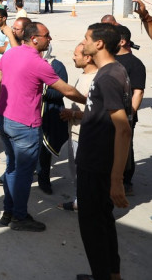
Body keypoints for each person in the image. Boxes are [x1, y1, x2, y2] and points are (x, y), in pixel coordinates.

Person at [0, 22, 86, 231]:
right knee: (23, 174)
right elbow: (67, 90)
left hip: (5, 121)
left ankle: (8, 211)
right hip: (25, 126)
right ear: (34, 38)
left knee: (12, 169)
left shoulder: (11, 54)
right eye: (47, 35)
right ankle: (19, 217)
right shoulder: (39, 63)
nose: (49, 39)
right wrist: (87, 99)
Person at [75, 23, 131, 280]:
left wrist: (116, 179)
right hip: (96, 162)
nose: (83, 42)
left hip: (97, 165)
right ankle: (111, 275)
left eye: (87, 38)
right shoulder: (112, 70)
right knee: (103, 224)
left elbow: (123, 129)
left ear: (98, 44)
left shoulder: (108, 77)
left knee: (92, 228)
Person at [58, 43, 97, 212]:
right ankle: (79, 202)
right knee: (76, 174)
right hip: (74, 133)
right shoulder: (83, 76)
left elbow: (97, 111)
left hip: (85, 136)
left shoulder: (97, 79)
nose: (73, 57)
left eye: (76, 54)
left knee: (86, 176)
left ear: (87, 57)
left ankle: (90, 207)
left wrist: (72, 115)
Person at [113, 24, 144, 195]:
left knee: (125, 149)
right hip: (108, 114)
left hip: (125, 116)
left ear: (123, 41)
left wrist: (129, 115)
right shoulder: (108, 59)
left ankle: (126, 181)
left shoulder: (135, 64)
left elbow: (138, 93)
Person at [36, 45, 68, 195]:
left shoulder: (56, 66)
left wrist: (41, 91)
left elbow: (61, 92)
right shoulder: (30, 63)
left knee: (45, 150)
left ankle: (44, 181)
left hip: (49, 113)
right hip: (30, 112)